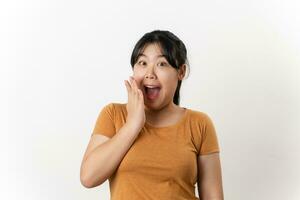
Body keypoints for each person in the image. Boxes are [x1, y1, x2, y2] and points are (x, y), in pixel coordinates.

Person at [80, 30, 224, 200]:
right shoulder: (113, 114)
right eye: (142, 63)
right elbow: (88, 177)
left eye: (161, 64)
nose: (150, 73)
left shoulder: (200, 124)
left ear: (181, 72)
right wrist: (133, 124)